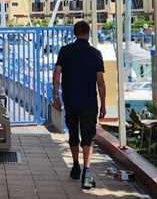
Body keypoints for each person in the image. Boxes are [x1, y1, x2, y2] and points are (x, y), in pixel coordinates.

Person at [52, 20, 106, 190]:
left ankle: (75, 165)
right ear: (88, 33)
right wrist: (103, 104)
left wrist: (56, 97)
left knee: (73, 133)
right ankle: (87, 171)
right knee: (88, 136)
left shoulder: (65, 51)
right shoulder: (96, 53)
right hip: (89, 101)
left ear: (75, 33)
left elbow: (56, 76)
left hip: (70, 100)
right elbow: (101, 82)